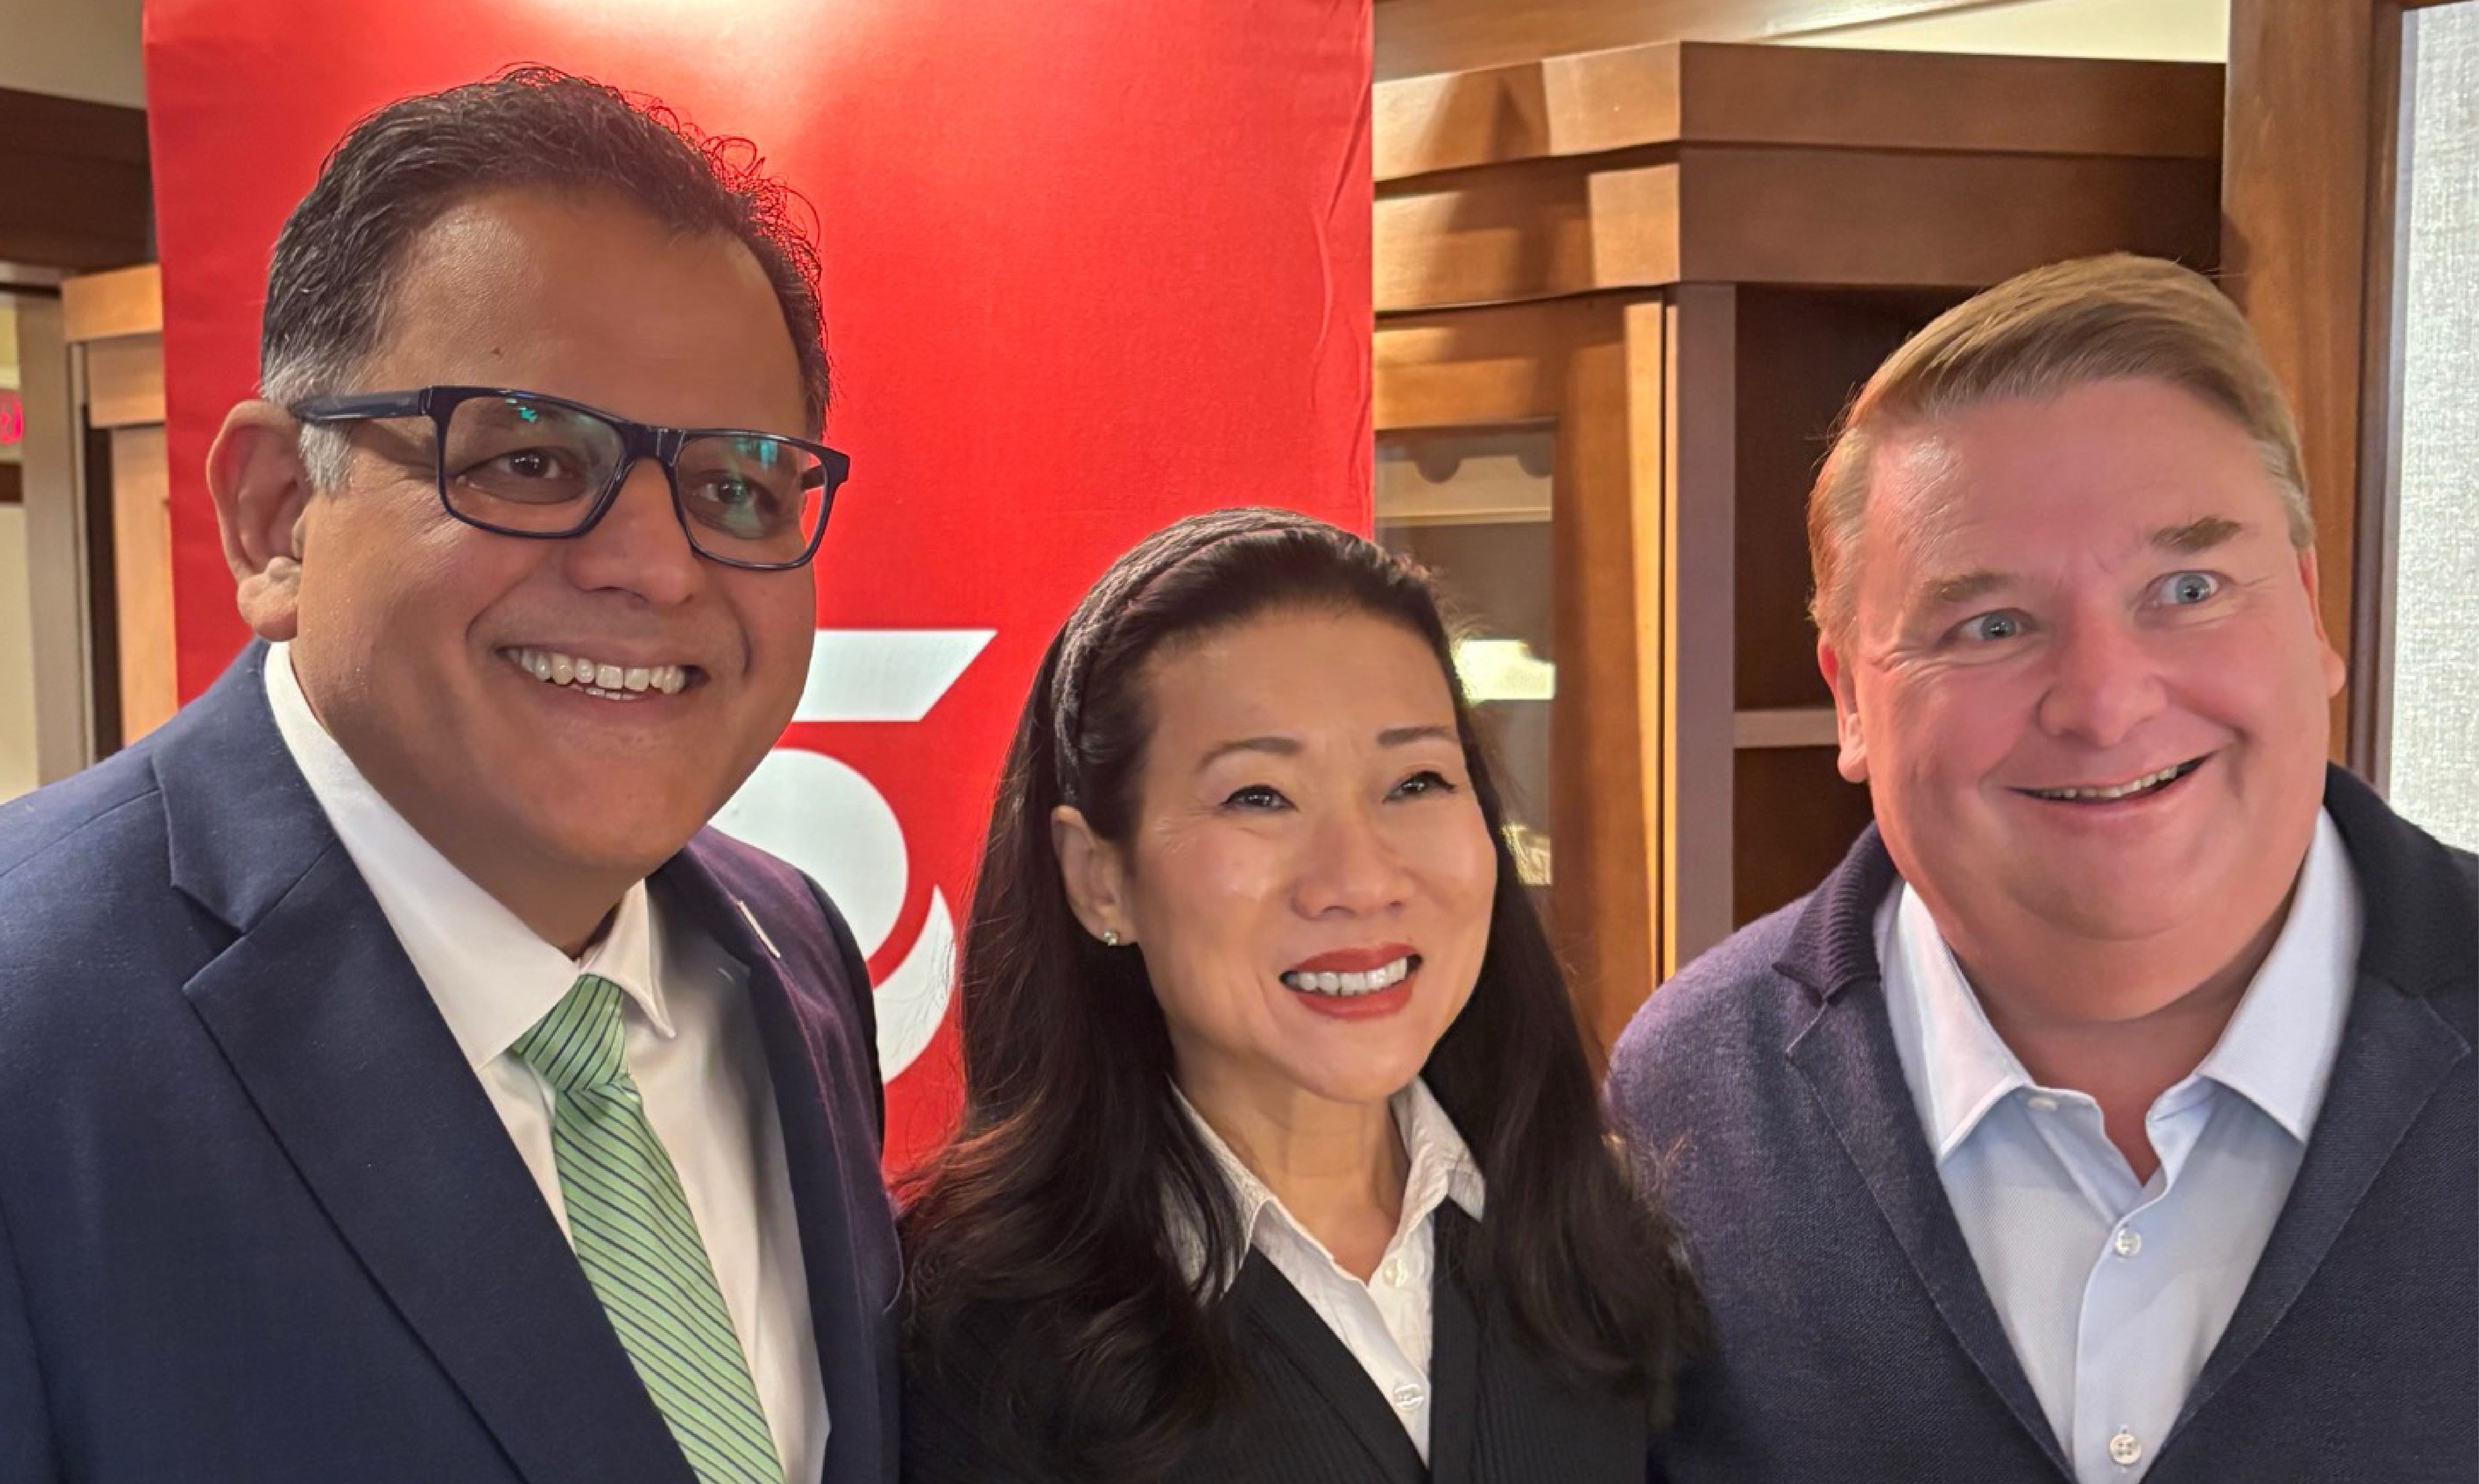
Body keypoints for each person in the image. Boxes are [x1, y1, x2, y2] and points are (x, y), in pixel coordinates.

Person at [0, 69, 897, 1484]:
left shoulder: (788, 951)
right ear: (274, 518)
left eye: (737, 485)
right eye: (528, 457)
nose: (654, 563)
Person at [1608, 254, 2476, 1484]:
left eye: (2186, 588)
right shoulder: (1692, 1095)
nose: (2105, 703)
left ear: (2308, 609)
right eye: (1991, 626)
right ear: (1850, 698)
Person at [896, 509, 1700, 1484]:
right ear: (1099, 878)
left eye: (1415, 782)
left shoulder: (1594, 1245)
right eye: (1259, 798)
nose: (1361, 880)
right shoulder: (970, 1338)